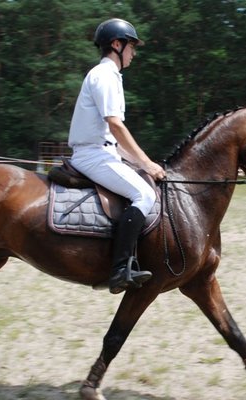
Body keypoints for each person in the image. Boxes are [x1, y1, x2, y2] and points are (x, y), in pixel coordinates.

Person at [68, 18, 166, 294]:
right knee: (144, 195)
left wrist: (141, 165)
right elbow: (115, 125)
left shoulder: (110, 77)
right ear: (116, 44)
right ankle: (120, 268)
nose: (134, 53)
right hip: (93, 155)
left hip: (103, 152)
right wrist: (146, 162)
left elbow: (115, 138)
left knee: (142, 183)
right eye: (132, 46)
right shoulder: (104, 76)